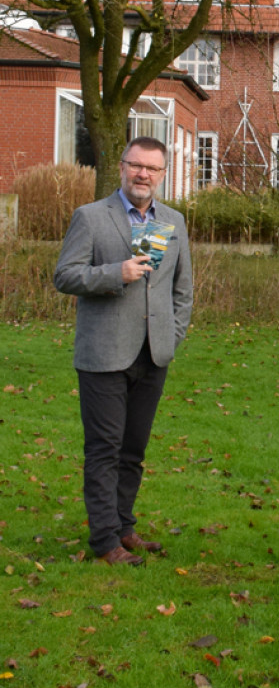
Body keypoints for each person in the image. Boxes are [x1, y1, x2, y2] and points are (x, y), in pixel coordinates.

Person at [54, 137, 193, 566]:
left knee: (133, 449)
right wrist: (116, 272)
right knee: (104, 448)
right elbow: (66, 275)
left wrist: (172, 336)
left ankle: (125, 528)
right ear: (122, 167)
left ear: (163, 173)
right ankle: (104, 541)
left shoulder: (172, 221)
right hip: (104, 354)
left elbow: (181, 289)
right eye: (136, 166)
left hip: (152, 356)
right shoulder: (92, 218)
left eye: (152, 168)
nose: (143, 175)